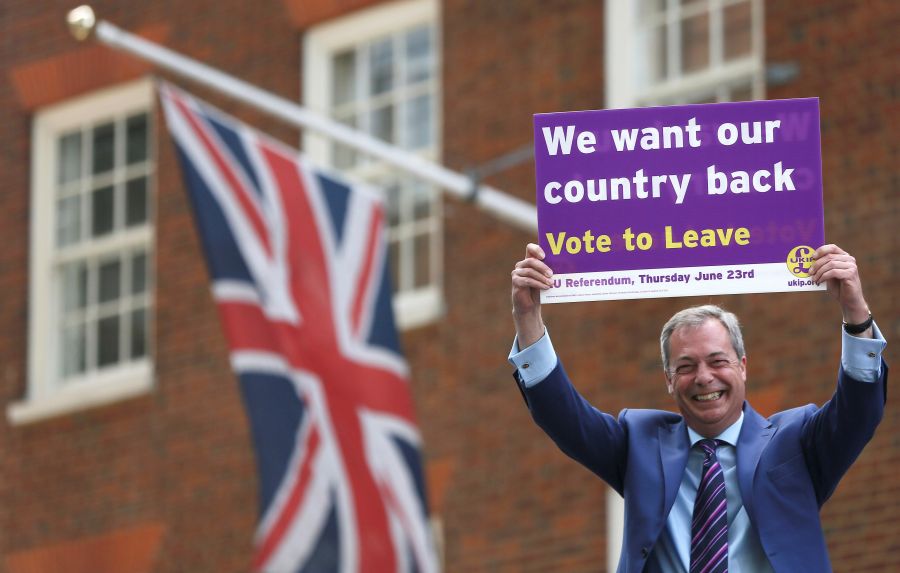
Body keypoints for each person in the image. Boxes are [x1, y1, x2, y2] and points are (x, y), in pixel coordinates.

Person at [508, 243, 887, 573]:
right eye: (685, 367)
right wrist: (527, 317)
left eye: (718, 361)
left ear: (742, 366)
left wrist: (856, 313)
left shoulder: (798, 442)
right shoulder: (637, 442)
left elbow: (859, 411)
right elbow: (563, 417)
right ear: (669, 380)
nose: (704, 377)